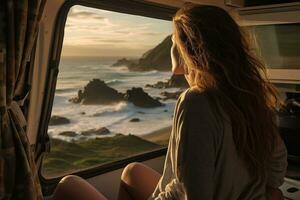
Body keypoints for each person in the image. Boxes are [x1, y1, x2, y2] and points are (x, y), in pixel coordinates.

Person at [53, 4, 287, 200]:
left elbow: (193, 194)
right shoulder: (254, 98)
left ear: (189, 52)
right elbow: (275, 174)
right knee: (132, 171)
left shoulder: (197, 102)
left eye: (176, 44)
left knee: (68, 184)